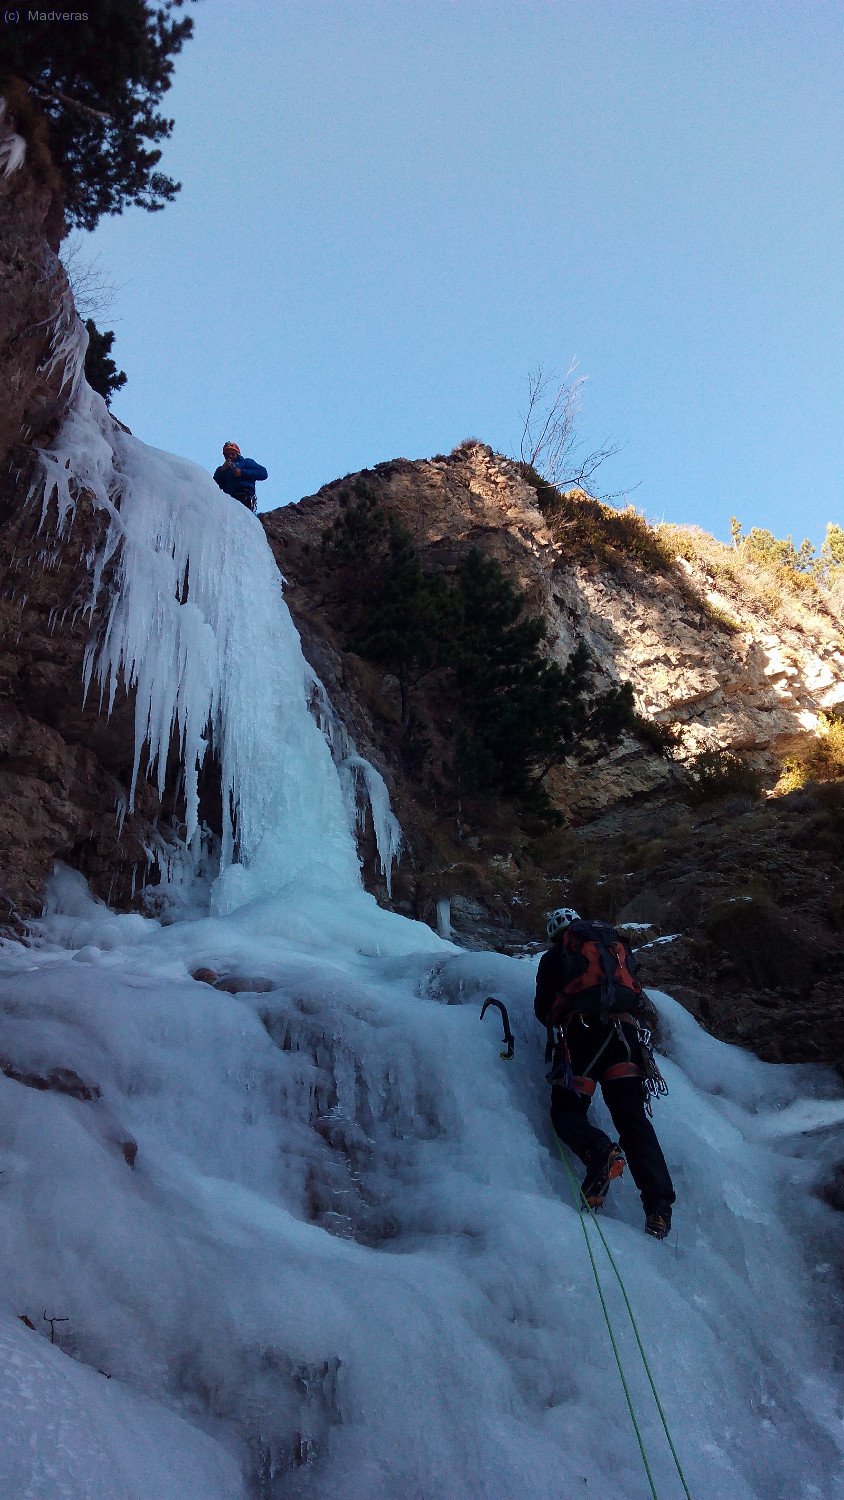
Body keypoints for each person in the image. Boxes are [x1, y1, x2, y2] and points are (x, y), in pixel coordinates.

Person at [534, 907, 675, 1239]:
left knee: (566, 1111)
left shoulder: (555, 956)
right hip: (626, 1038)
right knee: (632, 1120)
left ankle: (600, 1151)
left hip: (584, 1035)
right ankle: (658, 1208)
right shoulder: (613, 950)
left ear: (555, 936)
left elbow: (543, 1011)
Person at [213, 442, 268, 512]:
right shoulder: (222, 469)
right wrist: (222, 471)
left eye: (232, 454)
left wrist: (242, 473)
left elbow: (263, 473)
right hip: (229, 498)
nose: (230, 456)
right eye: (227, 455)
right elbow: (214, 485)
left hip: (245, 495)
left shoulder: (247, 462)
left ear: (237, 453)